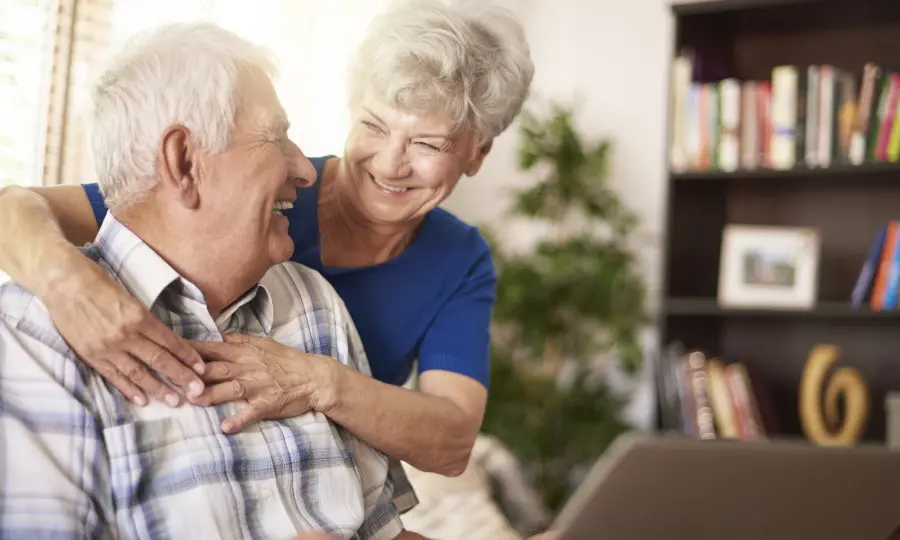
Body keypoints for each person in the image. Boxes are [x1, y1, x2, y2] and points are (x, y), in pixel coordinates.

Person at [0, 0, 535, 477]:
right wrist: (64, 280)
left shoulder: (459, 259)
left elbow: (452, 439)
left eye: (426, 142)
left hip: (323, 477)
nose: (392, 162)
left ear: (477, 153)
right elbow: (16, 208)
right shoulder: (257, 194)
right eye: (373, 126)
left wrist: (321, 382)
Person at [0, 22, 423, 540]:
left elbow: (384, 533)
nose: (305, 170)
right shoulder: (33, 339)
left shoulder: (314, 304)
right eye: (275, 136)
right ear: (184, 162)